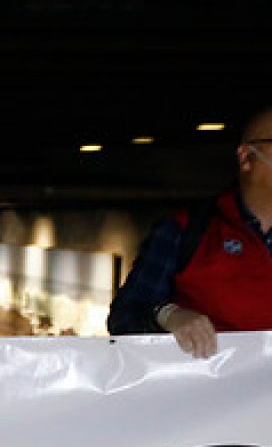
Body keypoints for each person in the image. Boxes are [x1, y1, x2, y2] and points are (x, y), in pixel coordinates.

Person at [107, 105, 272, 359]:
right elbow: (124, 318)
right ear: (245, 157)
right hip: (210, 393)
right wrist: (168, 315)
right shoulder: (187, 229)